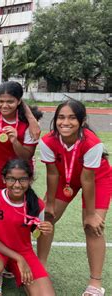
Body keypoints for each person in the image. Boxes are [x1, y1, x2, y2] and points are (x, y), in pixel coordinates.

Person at [37, 99, 110, 296]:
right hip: (64, 178)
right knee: (46, 218)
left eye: (72, 118)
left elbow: (87, 179)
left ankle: (95, 283)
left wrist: (92, 214)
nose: (65, 122)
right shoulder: (47, 141)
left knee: (92, 227)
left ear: (82, 120)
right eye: (61, 117)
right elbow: (52, 174)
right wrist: (50, 204)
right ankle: (40, 267)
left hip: (96, 179)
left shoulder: (93, 143)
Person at [0, 159, 55, 296]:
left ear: (30, 180)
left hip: (24, 251)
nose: (17, 185)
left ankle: (18, 274)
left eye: (22, 179)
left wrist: (46, 231)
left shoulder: (37, 204)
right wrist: (18, 258)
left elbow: (37, 233)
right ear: (3, 179)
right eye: (11, 179)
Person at [0, 81, 41, 193]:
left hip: (20, 168)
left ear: (19, 101)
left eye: (10, 101)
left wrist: (15, 141)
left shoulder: (29, 124)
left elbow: (26, 156)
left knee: (18, 204)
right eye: (1, 101)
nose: (5, 105)